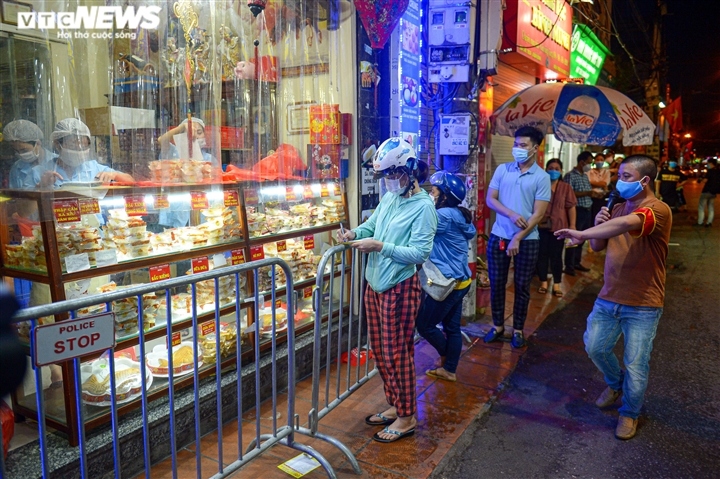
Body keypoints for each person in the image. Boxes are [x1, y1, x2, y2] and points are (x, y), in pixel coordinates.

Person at [555, 155, 671, 440]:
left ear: (645, 181)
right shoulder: (616, 207)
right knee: (594, 346)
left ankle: (629, 414)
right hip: (609, 296)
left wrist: (581, 232)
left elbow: (626, 225)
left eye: (626, 176)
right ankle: (615, 383)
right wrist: (595, 225)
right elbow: (597, 246)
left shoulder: (657, 210)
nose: (619, 181)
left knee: (636, 363)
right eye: (619, 175)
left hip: (643, 302)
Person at [337, 138, 436, 443]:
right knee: (380, 351)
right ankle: (395, 405)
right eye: (386, 176)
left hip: (400, 287)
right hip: (375, 284)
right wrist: (355, 233)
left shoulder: (424, 207)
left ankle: (406, 417)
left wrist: (381, 246)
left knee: (398, 353)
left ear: (410, 170)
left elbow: (419, 253)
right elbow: (373, 226)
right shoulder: (390, 199)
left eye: (395, 174)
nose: (390, 181)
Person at [483, 126, 551, 349]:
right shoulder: (503, 170)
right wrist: (510, 214)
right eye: (515, 144)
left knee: (522, 286)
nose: (517, 149)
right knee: (497, 283)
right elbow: (491, 199)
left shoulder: (541, 177)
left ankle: (518, 329)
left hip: (527, 240)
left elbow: (539, 214)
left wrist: (518, 238)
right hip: (498, 235)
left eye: (523, 145)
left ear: (535, 148)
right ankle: (497, 326)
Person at [416, 171, 476, 382]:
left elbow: (419, 229)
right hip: (462, 281)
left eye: (433, 191)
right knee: (452, 328)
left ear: (444, 196)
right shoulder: (459, 214)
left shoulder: (442, 216)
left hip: (447, 283)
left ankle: (446, 357)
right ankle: (449, 369)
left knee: (425, 325)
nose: (430, 194)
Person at [34, 118, 134, 188]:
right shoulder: (39, 172)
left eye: (83, 147)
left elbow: (132, 182)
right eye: (73, 146)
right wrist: (42, 187)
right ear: (57, 144)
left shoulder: (93, 168)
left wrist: (115, 175)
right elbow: (23, 212)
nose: (79, 152)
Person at [157, 117, 216, 227]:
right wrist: (181, 128)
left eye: (199, 132)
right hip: (177, 210)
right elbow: (161, 140)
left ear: (204, 135)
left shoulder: (209, 159)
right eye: (188, 133)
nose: (195, 136)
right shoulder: (173, 153)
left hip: (203, 211)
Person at [536, 159, 576, 298]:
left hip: (559, 226)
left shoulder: (566, 187)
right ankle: (543, 282)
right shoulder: (540, 185)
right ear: (546, 170)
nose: (553, 171)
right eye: (551, 168)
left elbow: (571, 207)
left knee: (557, 256)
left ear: (561, 171)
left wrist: (572, 226)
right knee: (542, 255)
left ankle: (557, 283)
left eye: (557, 168)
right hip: (541, 225)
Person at [563, 151, 599, 276]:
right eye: (589, 162)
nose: (590, 165)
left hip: (587, 210)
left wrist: (592, 193)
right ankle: (569, 265)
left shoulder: (584, 176)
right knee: (573, 238)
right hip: (577, 211)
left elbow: (586, 191)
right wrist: (587, 193)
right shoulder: (570, 176)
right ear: (582, 162)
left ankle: (577, 262)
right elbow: (568, 193)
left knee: (581, 238)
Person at [2, 120, 55, 189]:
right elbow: (15, 196)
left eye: (24, 150)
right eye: (17, 151)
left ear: (38, 143)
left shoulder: (57, 162)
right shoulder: (16, 169)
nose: (21, 154)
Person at [697, 157, 720, 227]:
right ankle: (709, 222)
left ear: (711, 163)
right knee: (711, 207)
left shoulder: (710, 171)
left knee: (701, 207)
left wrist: (701, 179)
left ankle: (700, 222)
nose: (707, 165)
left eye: (708, 163)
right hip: (714, 192)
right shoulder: (718, 171)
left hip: (707, 191)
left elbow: (705, 180)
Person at [587, 153, 611, 219]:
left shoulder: (606, 172)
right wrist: (601, 184)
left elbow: (605, 183)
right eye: (597, 159)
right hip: (592, 197)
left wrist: (594, 183)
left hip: (602, 197)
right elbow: (588, 182)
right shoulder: (589, 171)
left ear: (604, 161)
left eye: (601, 160)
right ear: (594, 161)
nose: (599, 161)